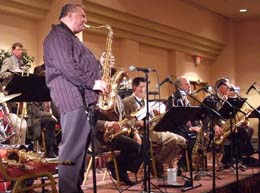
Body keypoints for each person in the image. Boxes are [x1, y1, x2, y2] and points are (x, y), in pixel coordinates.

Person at [43, 4, 108, 193]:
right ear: (70, 15)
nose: (86, 20)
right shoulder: (57, 36)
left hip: (83, 100)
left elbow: (78, 66)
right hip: (73, 100)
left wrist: (99, 64)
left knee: (79, 152)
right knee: (71, 152)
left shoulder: (70, 38)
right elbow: (67, 67)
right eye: (83, 16)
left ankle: (74, 189)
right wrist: (93, 83)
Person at [123, 77, 186, 178]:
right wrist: (138, 122)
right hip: (141, 132)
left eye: (145, 87)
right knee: (172, 139)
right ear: (134, 87)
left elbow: (152, 117)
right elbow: (125, 120)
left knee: (182, 141)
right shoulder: (127, 101)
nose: (144, 90)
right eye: (141, 87)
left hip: (153, 129)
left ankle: (157, 161)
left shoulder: (146, 101)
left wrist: (159, 116)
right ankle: (158, 164)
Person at [96, 91, 143, 185]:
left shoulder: (118, 98)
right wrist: (107, 124)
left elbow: (125, 118)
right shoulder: (98, 97)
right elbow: (91, 121)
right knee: (134, 146)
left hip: (119, 133)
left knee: (146, 142)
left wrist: (135, 132)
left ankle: (116, 165)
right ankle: (121, 171)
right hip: (104, 136)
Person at [166, 76, 201, 174]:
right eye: (186, 84)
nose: (189, 86)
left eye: (189, 84)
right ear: (179, 87)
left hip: (184, 128)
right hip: (175, 129)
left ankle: (187, 163)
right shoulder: (174, 98)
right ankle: (183, 163)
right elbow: (175, 119)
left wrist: (196, 125)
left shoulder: (186, 97)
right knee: (190, 137)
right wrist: (191, 128)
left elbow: (190, 115)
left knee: (196, 135)